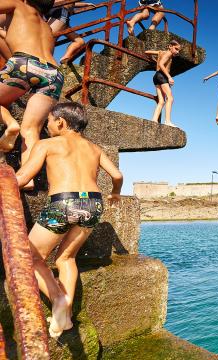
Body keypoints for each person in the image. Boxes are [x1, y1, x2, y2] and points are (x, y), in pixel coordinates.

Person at [15, 102, 123, 339]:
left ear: (61, 122)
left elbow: (22, 177)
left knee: (29, 257)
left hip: (63, 203)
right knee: (66, 257)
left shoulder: (47, 144)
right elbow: (117, 175)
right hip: (93, 204)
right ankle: (66, 319)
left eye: (49, 122)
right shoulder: (94, 148)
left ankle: (59, 299)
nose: (47, 127)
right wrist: (115, 193)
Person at [0, 0, 62, 189]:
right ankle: (27, 179)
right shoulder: (46, 27)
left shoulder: (19, 5)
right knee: (32, 129)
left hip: (24, 62)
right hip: (53, 72)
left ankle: (10, 124)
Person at [145, 40, 181, 126]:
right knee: (170, 98)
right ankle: (167, 121)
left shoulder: (160, 52)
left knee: (161, 101)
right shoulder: (168, 54)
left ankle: (154, 120)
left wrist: (153, 60)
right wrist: (169, 77)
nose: (177, 51)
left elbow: (147, 52)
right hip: (162, 76)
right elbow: (161, 64)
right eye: (176, 49)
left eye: (179, 50)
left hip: (156, 76)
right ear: (170, 46)